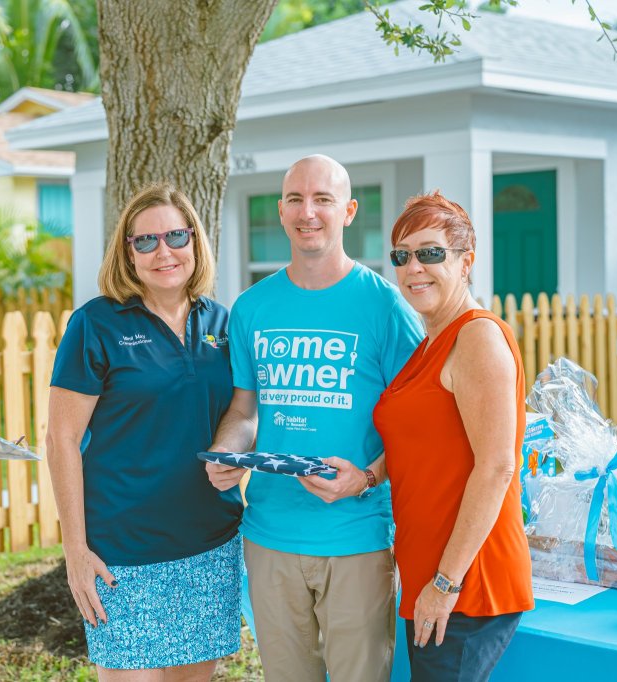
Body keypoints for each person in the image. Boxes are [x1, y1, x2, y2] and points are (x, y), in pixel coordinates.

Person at [206, 155, 424, 681]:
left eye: (323, 199)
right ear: (281, 212)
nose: (309, 212)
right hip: (268, 535)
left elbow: (420, 428)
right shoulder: (253, 307)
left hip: (356, 536)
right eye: (297, 200)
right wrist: (225, 453)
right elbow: (243, 408)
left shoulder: (385, 308)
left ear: (348, 211)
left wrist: (367, 477)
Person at [45, 183, 243, 680]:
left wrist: (230, 446)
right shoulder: (96, 324)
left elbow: (243, 410)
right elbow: (60, 440)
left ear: (195, 241)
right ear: (127, 254)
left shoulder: (222, 323)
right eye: (146, 241)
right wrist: (75, 550)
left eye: (176, 236)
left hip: (211, 546)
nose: (164, 252)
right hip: (122, 556)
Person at [372, 191, 535, 681]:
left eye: (430, 252)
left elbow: (497, 466)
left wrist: (445, 582)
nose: (413, 267)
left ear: (467, 260)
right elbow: (424, 442)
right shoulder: (430, 342)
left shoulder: (477, 337)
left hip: (469, 582)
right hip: (433, 574)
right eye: (402, 255)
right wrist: (365, 476)